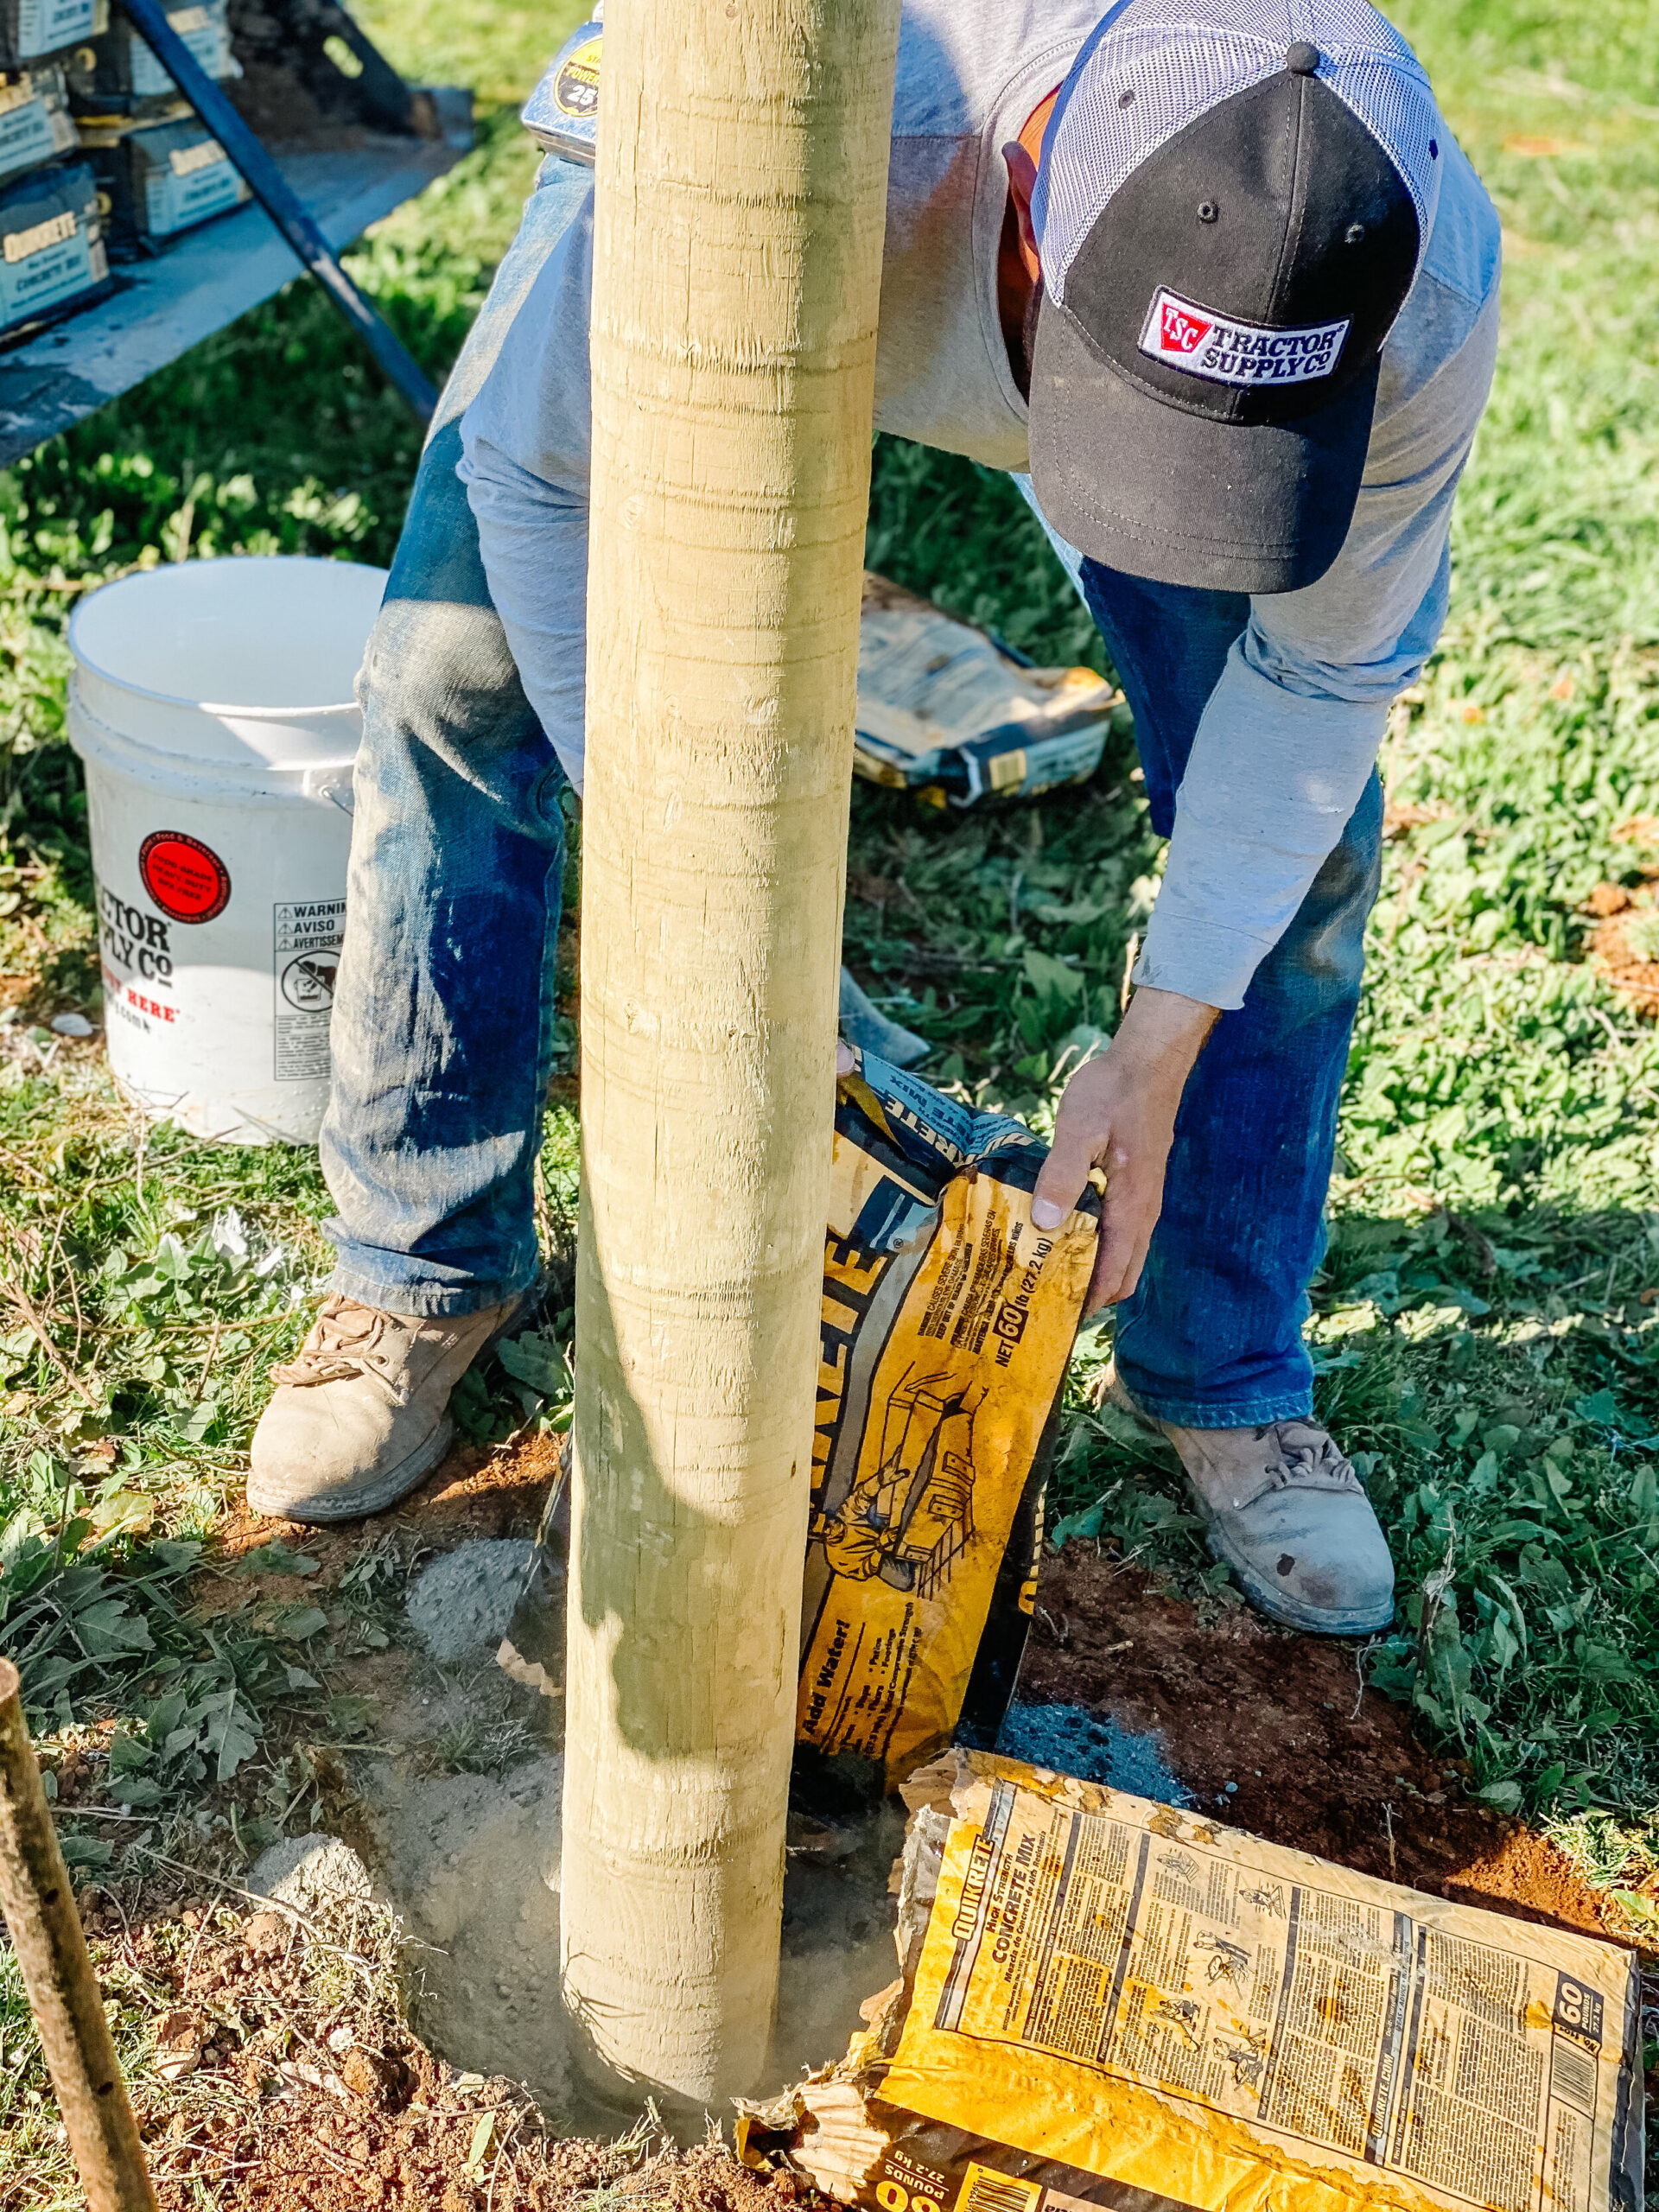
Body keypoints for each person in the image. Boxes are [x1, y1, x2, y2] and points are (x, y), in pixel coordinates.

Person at [248, 0, 1499, 1639]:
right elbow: (539, 476)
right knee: (449, 677)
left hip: (1088, 274)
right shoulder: (791, 105)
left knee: (1303, 860)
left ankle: (1220, 1363)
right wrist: (703, 907)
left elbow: (1322, 687)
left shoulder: (1411, 284)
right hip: (812, 210)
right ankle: (423, 1261)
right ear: (1037, 194)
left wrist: (1160, 1035)